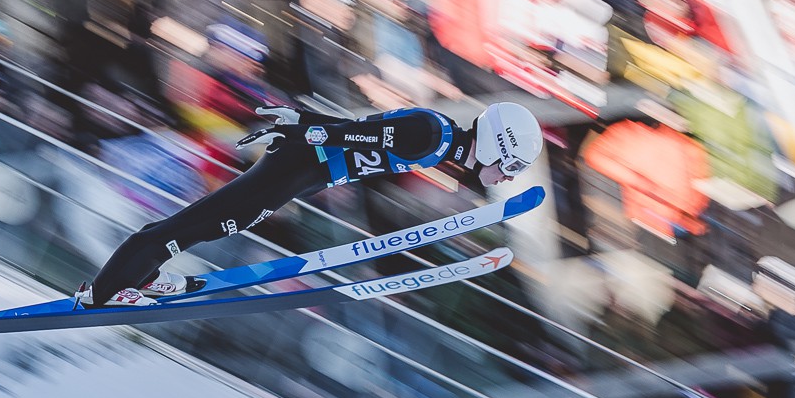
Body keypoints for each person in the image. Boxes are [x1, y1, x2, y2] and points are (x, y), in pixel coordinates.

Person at [76, 102, 544, 307]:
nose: (507, 176)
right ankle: (104, 291)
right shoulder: (432, 136)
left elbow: (357, 130)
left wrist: (302, 121)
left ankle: (140, 275)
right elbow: (353, 134)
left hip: (306, 170)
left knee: (209, 223)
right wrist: (299, 127)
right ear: (497, 144)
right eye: (512, 165)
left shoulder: (438, 139)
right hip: (300, 166)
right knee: (207, 223)